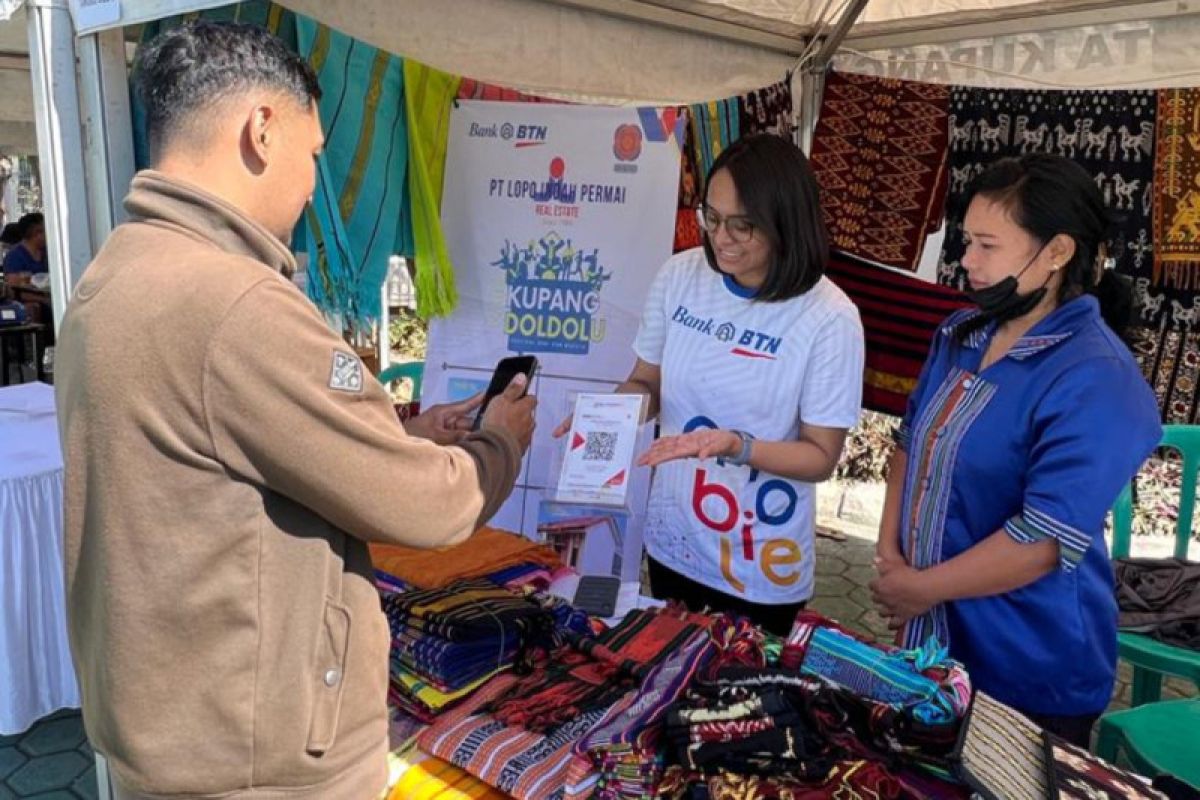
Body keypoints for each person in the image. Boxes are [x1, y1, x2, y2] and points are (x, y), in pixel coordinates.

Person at [55, 21, 535, 800]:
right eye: (314, 154)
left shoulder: (113, 276)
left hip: (176, 729)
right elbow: (426, 505)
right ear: (261, 128)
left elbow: (225, 462)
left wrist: (404, 431)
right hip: (257, 760)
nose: (316, 183)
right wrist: (498, 444)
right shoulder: (237, 303)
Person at [871, 153, 1161, 747]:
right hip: (931, 641)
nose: (967, 261)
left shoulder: (1098, 377)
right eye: (965, 241)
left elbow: (1044, 539)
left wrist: (919, 588)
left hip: (1026, 665)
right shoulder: (961, 334)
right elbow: (909, 442)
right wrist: (890, 556)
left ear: (1056, 253)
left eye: (987, 245)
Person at [559, 134, 865, 636]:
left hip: (759, 563)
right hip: (675, 540)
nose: (721, 238)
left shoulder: (829, 317)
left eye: (743, 227)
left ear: (785, 224)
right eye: (713, 217)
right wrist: (606, 420)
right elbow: (645, 382)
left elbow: (820, 456)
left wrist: (735, 446)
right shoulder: (680, 276)